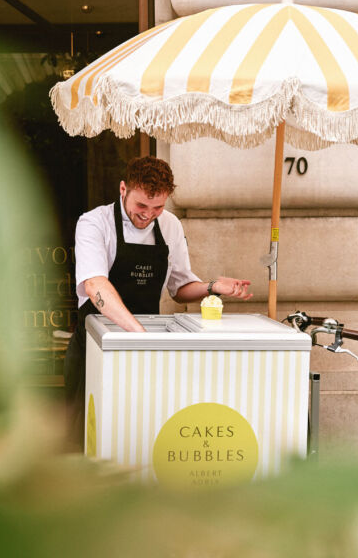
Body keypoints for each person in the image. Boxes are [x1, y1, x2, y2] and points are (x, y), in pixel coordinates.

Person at [63, 156, 253, 449]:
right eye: (141, 205)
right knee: (87, 440)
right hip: (96, 347)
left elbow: (180, 288)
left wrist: (213, 287)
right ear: (123, 189)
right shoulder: (94, 223)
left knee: (138, 436)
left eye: (158, 207)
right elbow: (95, 285)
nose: (148, 215)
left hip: (144, 348)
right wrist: (140, 336)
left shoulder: (170, 225)